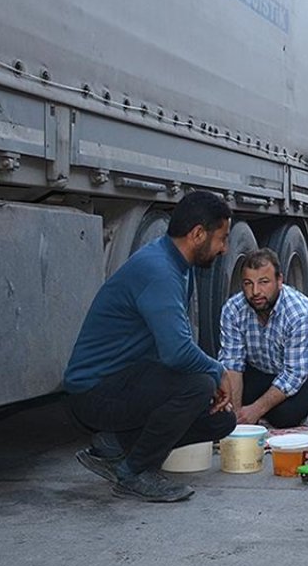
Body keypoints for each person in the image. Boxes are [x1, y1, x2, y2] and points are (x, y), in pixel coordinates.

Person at [63, 191, 236, 502]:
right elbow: (176, 352)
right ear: (198, 234)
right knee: (198, 385)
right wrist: (217, 370)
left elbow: (174, 347)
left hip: (126, 381)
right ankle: (135, 473)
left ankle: (113, 444)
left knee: (221, 420)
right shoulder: (159, 270)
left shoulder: (178, 265)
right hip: (94, 391)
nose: (224, 249)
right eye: (222, 239)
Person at [217, 249, 308, 428]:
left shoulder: (300, 314)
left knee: (285, 416)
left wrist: (255, 410)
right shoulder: (233, 309)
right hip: (262, 369)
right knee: (221, 402)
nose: (255, 292)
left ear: (279, 281)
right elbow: (232, 363)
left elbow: (293, 375)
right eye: (248, 284)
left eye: (264, 282)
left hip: (306, 374)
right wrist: (236, 416)